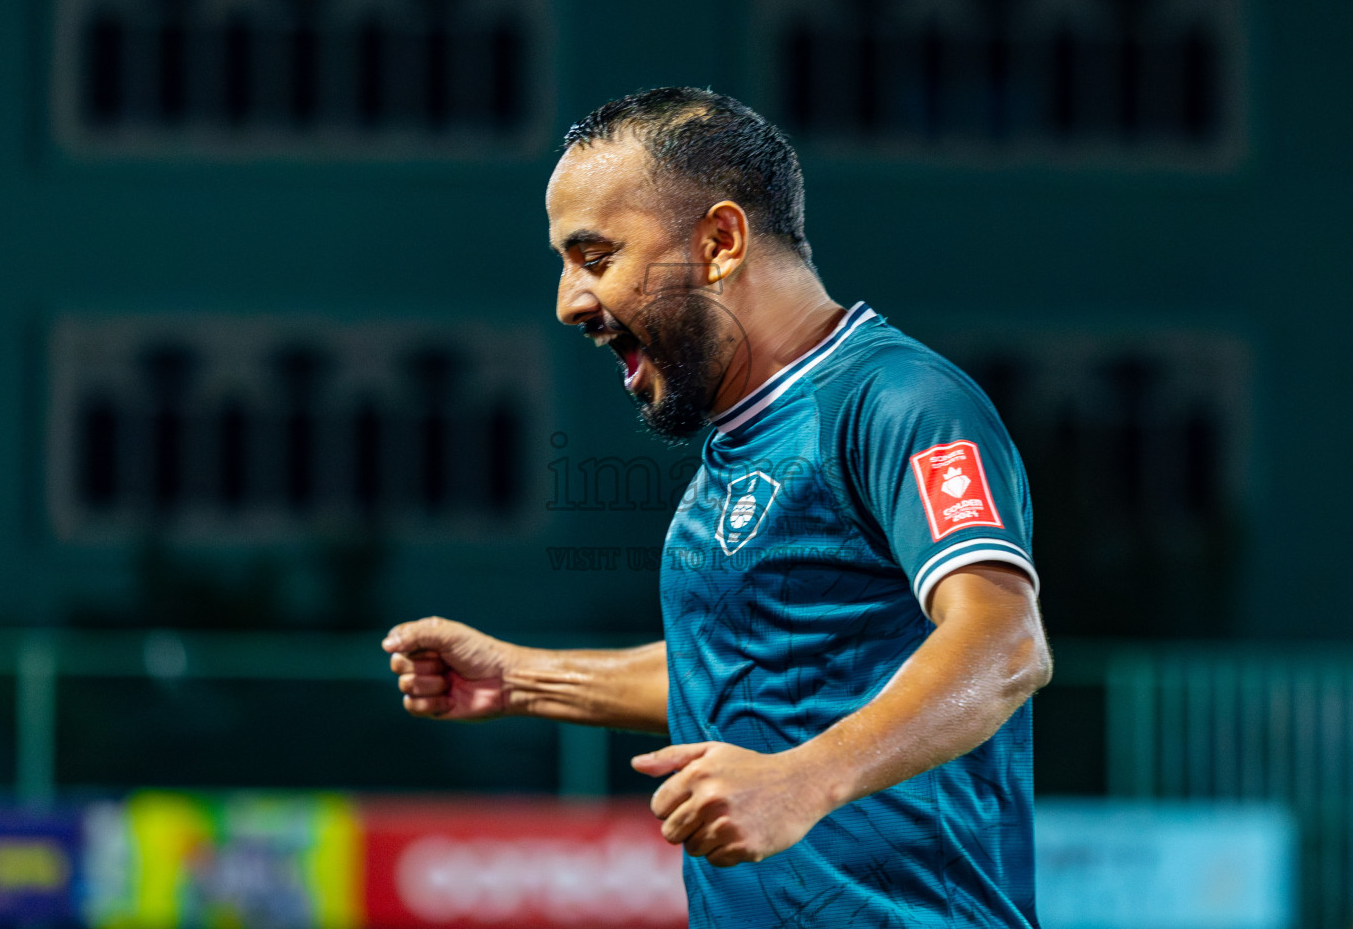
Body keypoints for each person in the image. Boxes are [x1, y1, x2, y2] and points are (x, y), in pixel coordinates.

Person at [383, 87, 1052, 927]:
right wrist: (524, 677)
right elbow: (754, 668)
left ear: (721, 242)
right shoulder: (741, 447)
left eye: (595, 256)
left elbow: (1003, 641)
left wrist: (804, 779)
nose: (569, 302)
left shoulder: (900, 400)